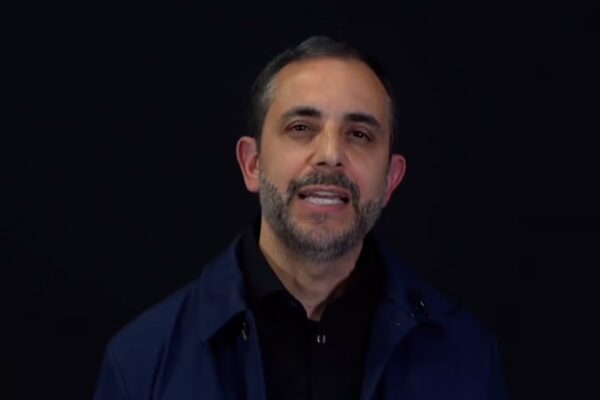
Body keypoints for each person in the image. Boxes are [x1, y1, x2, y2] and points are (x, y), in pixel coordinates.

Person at [94, 36, 507, 400]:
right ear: (252, 164)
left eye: (359, 134)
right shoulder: (142, 364)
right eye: (301, 128)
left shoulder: (466, 357)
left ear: (390, 180)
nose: (331, 154)